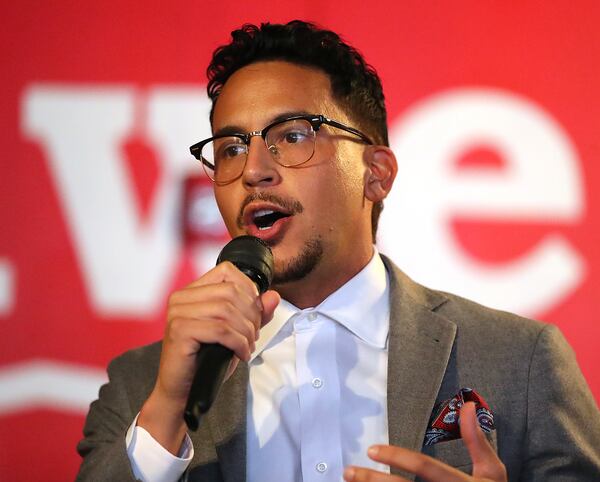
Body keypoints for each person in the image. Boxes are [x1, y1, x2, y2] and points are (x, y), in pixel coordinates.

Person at [76, 20, 600, 482]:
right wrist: (169, 408)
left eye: (293, 135)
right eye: (231, 147)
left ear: (376, 175)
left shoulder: (520, 360)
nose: (254, 169)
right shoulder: (141, 387)